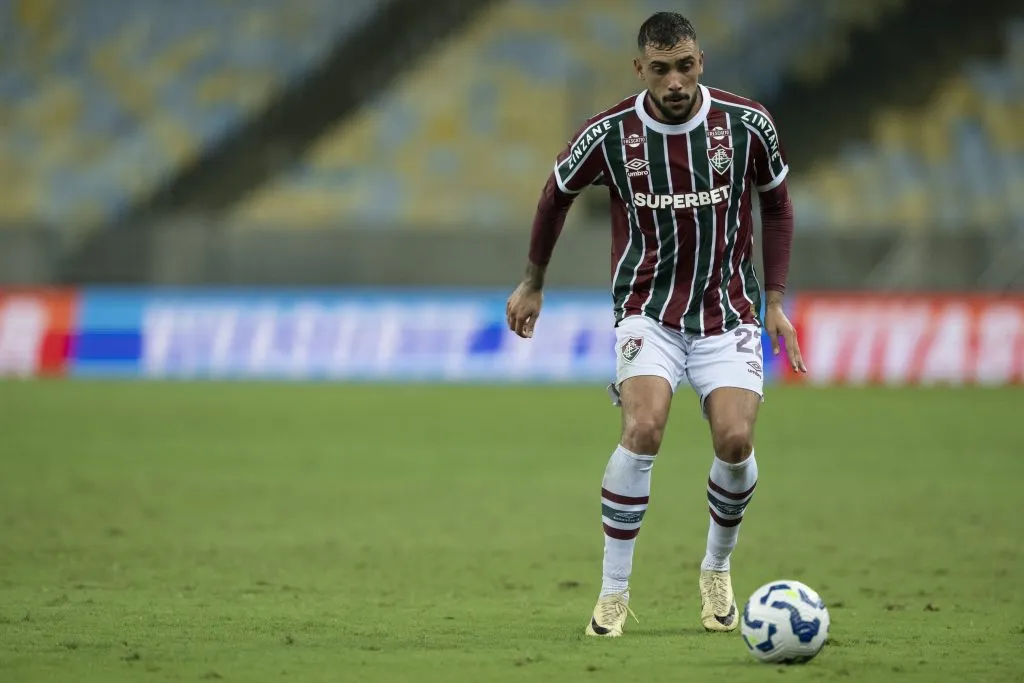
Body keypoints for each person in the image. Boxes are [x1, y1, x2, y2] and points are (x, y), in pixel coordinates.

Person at [505, 11, 807, 637]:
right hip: (649, 310)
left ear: (701, 63)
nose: (675, 81)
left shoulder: (746, 125)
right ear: (640, 69)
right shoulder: (611, 133)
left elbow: (776, 205)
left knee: (735, 443)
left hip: (729, 312)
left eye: (686, 66)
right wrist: (533, 280)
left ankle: (716, 570)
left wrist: (774, 300)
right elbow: (553, 196)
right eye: (661, 69)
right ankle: (613, 594)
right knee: (642, 428)